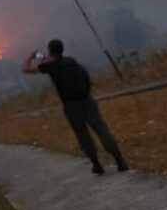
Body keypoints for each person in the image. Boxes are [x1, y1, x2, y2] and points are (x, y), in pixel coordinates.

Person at [22, 38, 129, 175]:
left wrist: (32, 55)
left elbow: (25, 68)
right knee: (101, 129)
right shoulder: (71, 61)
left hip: (71, 106)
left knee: (82, 135)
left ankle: (96, 165)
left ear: (49, 51)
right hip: (87, 101)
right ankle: (120, 160)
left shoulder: (50, 66)